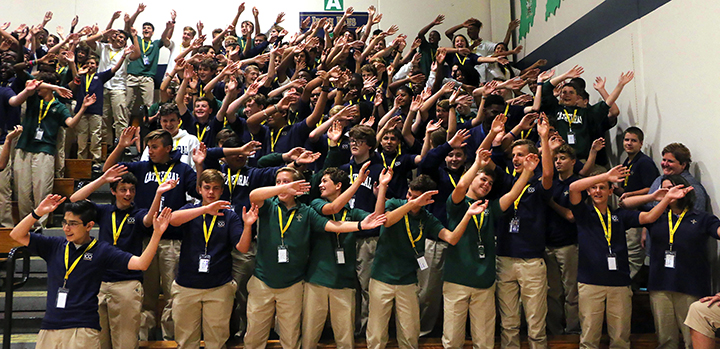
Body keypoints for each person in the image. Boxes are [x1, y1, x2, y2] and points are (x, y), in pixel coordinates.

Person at [243, 167, 385, 349]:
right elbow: (254, 195)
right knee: (255, 338)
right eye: (278, 182)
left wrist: (359, 225)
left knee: (292, 340)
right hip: (265, 280)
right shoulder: (272, 205)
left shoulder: (307, 211)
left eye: (285, 182)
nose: (281, 186)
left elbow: (333, 226)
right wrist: (282, 188)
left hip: (295, 285)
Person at [8, 194, 171, 348]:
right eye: (65, 222)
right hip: (50, 327)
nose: (66, 228)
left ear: (89, 226)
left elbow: (141, 263)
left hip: (83, 329)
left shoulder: (102, 251)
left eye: (73, 223)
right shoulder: (54, 245)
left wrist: (156, 234)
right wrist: (37, 213)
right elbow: (16, 234)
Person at [568, 166, 691, 349]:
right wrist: (605, 176)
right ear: (589, 190)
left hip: (619, 283)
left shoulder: (619, 216)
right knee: (589, 337)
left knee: (620, 338)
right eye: (594, 187)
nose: (597, 191)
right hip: (591, 283)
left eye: (603, 187)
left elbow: (649, 217)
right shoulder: (583, 213)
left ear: (611, 191)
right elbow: (573, 188)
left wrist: (666, 199)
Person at [367, 173, 485, 349]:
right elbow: (387, 221)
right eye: (409, 194)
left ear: (428, 198)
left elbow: (451, 238)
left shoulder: (427, 219)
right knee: (376, 336)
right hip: (382, 278)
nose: (410, 199)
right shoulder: (395, 204)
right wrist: (411, 203)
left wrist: (467, 215)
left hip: (408, 281)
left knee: (410, 335)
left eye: (416, 197)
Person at [442, 146, 538, 349]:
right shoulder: (457, 204)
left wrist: (528, 171)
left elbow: (512, 194)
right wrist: (478, 163)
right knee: (452, 341)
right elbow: (460, 186)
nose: (486, 185)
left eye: (490, 183)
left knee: (484, 342)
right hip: (457, 281)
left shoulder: (489, 208)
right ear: (473, 178)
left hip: (484, 283)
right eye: (482, 180)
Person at [69, 164, 171, 349]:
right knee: (99, 342)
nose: (128, 194)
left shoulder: (137, 213)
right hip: (100, 283)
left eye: (132, 190)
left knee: (125, 342)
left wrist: (158, 194)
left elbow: (149, 220)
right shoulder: (104, 212)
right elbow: (75, 199)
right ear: (113, 191)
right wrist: (101, 179)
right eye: (123, 189)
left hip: (127, 284)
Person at [623, 175, 720, 349]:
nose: (670, 192)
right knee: (666, 340)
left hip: (690, 286)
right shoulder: (656, 216)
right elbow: (624, 204)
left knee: (693, 340)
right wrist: (654, 197)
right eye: (665, 188)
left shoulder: (702, 217)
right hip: (660, 284)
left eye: (673, 188)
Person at [168, 169, 243, 349]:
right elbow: (172, 219)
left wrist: (248, 225)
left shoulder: (229, 215)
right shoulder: (191, 209)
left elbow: (241, 246)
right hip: (187, 285)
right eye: (207, 187)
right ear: (199, 189)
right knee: (186, 342)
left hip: (218, 287)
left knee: (216, 342)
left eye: (216, 188)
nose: (211, 192)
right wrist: (205, 209)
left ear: (222, 190)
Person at [303, 164, 372, 349]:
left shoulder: (353, 213)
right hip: (317, 280)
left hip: (344, 282)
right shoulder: (316, 204)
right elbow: (333, 207)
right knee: (309, 337)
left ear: (339, 185)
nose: (320, 185)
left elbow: (376, 219)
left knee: (345, 340)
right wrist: (358, 182)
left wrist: (381, 190)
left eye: (325, 181)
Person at [14, 73, 92, 228]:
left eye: (42, 86)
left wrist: (83, 108)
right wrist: (54, 87)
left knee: (41, 192)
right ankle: (26, 226)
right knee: (22, 192)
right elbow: (30, 82)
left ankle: (39, 228)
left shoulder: (59, 107)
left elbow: (70, 123)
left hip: (45, 151)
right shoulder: (33, 98)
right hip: (24, 148)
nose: (39, 89)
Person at [614, 127, 658, 280]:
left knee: (633, 254)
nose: (629, 143)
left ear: (641, 143)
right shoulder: (627, 161)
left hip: (639, 214)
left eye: (633, 141)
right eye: (626, 140)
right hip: (627, 212)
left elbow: (651, 189)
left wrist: (631, 195)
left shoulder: (645, 163)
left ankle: (626, 284)